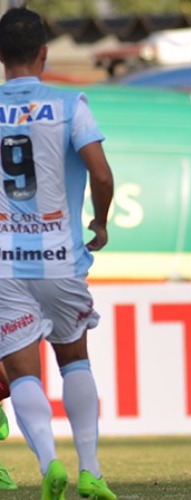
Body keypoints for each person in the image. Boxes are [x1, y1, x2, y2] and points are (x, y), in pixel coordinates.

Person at [0, 7, 116, 500]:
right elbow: (102, 174)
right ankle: (89, 469)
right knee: (74, 362)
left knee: (23, 372)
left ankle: (49, 463)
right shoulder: (71, 106)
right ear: (44, 54)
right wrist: (101, 221)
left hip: (5, 262)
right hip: (60, 259)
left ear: (2, 58)